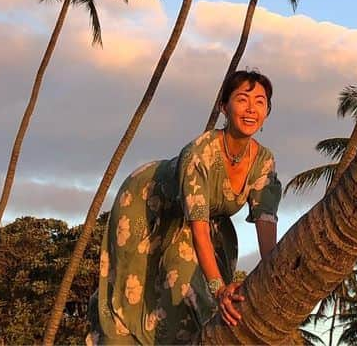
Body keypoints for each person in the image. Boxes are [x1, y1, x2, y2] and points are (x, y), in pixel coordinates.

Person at [88, 70, 281, 344]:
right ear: (223, 106)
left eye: (260, 102)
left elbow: (266, 224)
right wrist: (220, 290)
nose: (251, 109)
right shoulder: (199, 155)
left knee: (192, 292)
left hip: (202, 219)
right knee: (139, 294)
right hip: (146, 204)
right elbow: (198, 230)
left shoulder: (263, 161)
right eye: (242, 99)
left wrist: (274, 275)